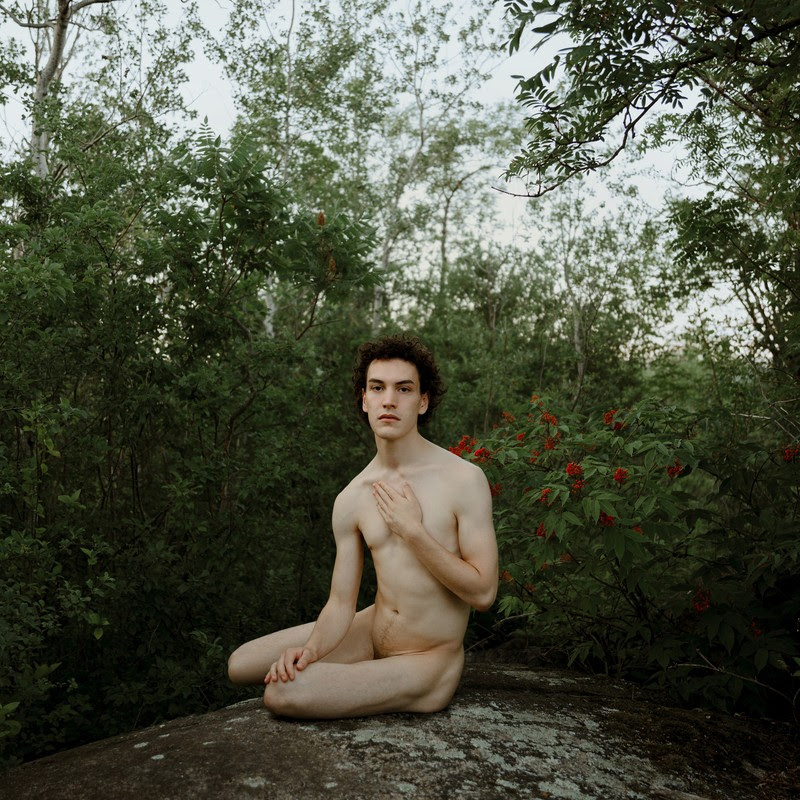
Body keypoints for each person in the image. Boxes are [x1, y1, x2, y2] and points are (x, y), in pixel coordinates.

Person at [227, 334, 498, 718]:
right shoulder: (352, 497)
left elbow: (484, 593)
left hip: (429, 656)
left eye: (404, 389)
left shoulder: (463, 479)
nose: (389, 400)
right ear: (364, 399)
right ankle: (350, 661)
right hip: (370, 630)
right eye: (378, 387)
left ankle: (407, 682)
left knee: (283, 693)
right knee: (240, 664)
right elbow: (341, 603)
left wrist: (413, 532)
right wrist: (312, 651)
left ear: (422, 402)